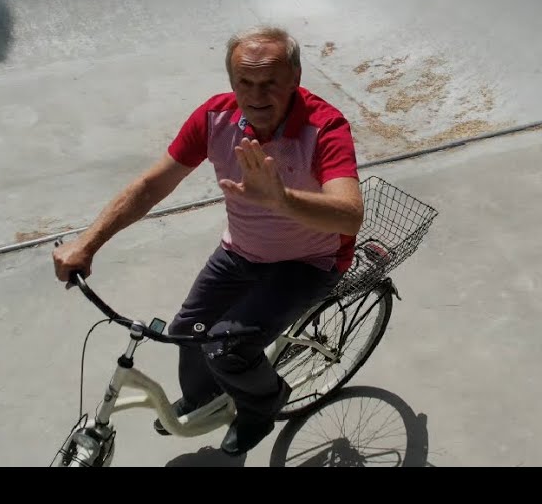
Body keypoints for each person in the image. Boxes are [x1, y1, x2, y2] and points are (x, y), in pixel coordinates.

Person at [53, 25, 364, 456]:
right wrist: (88, 244)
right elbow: (151, 185)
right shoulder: (214, 118)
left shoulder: (324, 126)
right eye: (245, 82)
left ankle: (261, 407)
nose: (256, 95)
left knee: (226, 348)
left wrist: (282, 199)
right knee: (188, 331)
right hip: (241, 251)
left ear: (295, 77)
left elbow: (349, 214)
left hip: (308, 261)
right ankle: (202, 400)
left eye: (270, 82)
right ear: (232, 81)